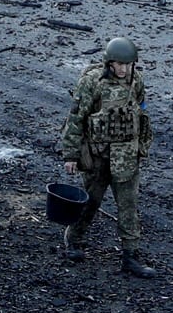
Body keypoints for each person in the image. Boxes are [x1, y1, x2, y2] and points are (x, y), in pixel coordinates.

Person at [58, 37, 156, 277]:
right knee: (91, 202)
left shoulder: (136, 80)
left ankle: (130, 255)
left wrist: (142, 145)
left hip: (126, 155)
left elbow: (141, 112)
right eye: (119, 64)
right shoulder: (93, 82)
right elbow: (76, 119)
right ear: (109, 63)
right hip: (98, 155)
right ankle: (74, 239)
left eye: (128, 64)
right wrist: (71, 155)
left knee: (129, 206)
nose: (123, 69)